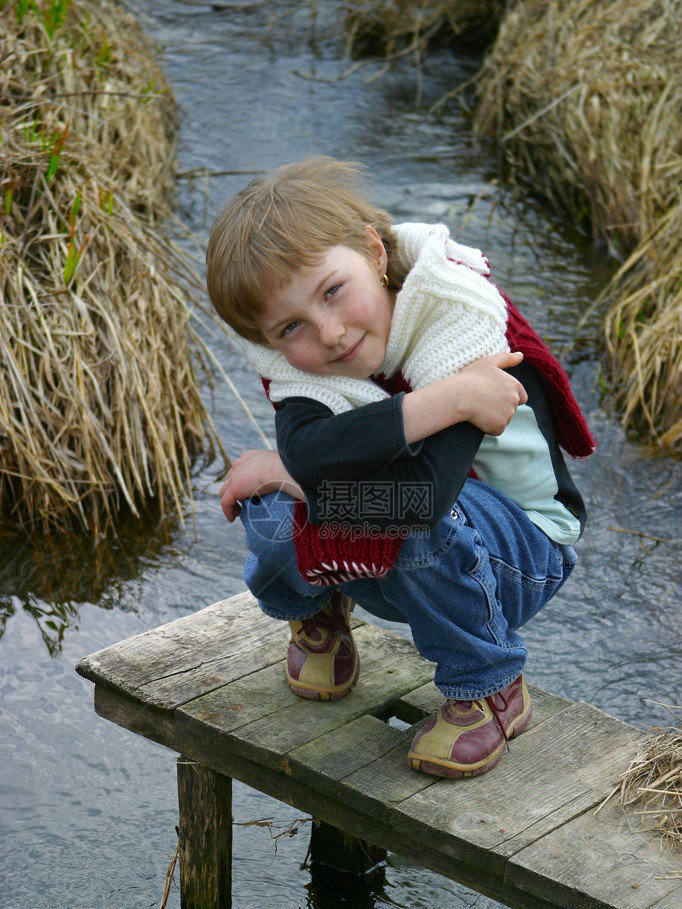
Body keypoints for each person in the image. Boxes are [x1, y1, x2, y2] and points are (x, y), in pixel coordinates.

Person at [205, 156, 594, 780]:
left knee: (380, 515)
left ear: (374, 253)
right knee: (269, 506)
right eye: (292, 326)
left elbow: (420, 503)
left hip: (518, 550)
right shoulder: (296, 360)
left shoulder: (462, 322)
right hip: (414, 531)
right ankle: (322, 604)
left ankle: (489, 683)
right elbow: (307, 451)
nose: (329, 333)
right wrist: (443, 402)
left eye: (334, 290)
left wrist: (463, 392)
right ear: (268, 337)